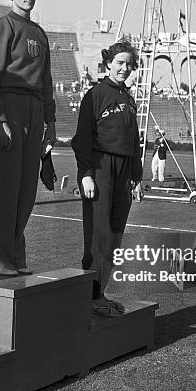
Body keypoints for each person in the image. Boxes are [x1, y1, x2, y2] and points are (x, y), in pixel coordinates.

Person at [0, 0, 57, 276]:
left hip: (34, 111)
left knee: (26, 191)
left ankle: (14, 252)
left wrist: (50, 125)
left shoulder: (39, 34)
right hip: (9, 109)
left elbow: (47, 83)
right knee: (5, 188)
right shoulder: (3, 26)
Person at [71, 41, 143, 317]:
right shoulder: (95, 95)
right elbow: (82, 139)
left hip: (124, 172)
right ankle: (89, 294)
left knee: (115, 236)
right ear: (109, 64)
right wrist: (86, 175)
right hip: (101, 168)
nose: (124, 68)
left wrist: (136, 175)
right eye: (120, 63)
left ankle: (100, 292)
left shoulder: (129, 98)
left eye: (129, 64)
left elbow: (134, 141)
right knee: (98, 235)